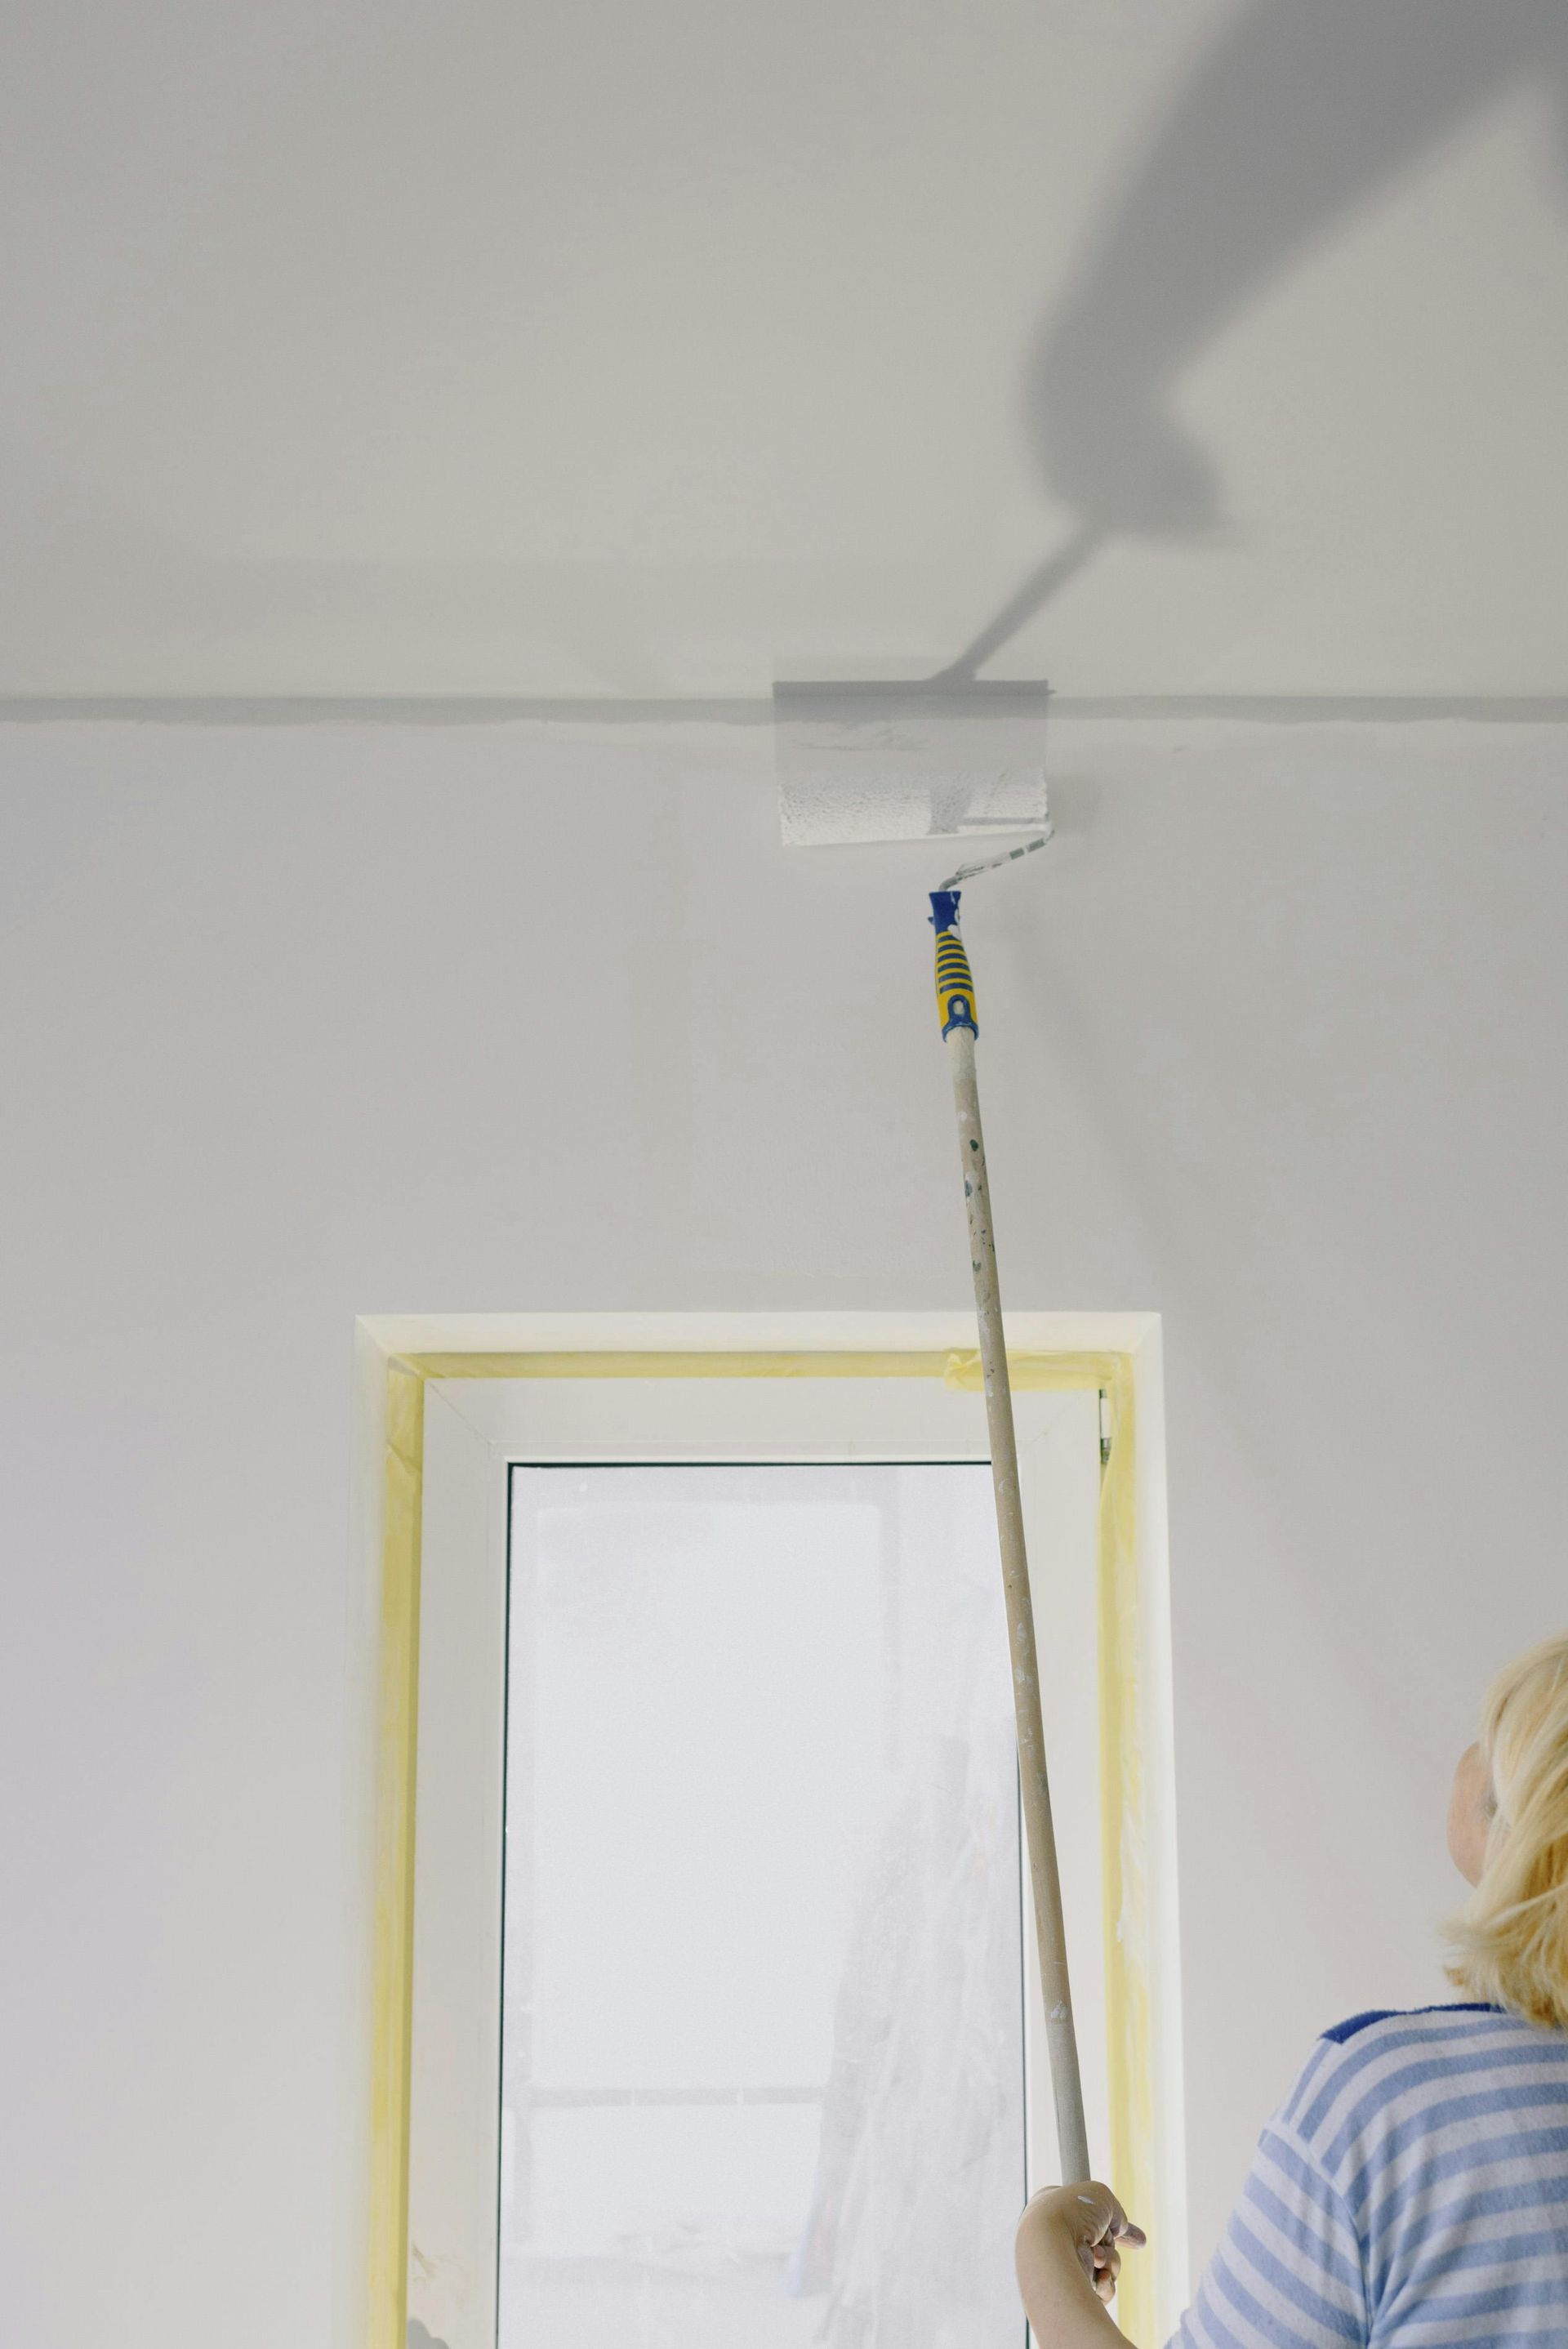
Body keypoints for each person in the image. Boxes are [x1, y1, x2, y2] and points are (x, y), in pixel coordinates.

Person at [1017, 1630, 1568, 2347]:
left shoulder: (1392, 2105)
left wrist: (1043, 2247)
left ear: (1519, 1827)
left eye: (1491, 1743)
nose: (1466, 1757)